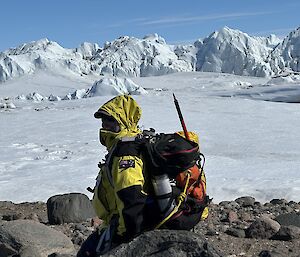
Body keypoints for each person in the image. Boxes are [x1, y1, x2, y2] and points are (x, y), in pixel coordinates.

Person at [77, 95, 208, 257]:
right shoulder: (135, 142)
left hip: (123, 225)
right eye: (103, 120)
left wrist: (124, 235)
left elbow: (130, 195)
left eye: (110, 120)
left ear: (123, 121)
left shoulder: (126, 152)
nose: (104, 124)